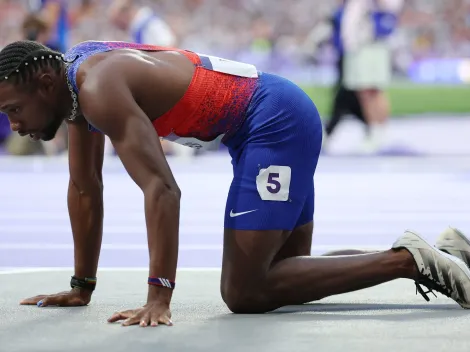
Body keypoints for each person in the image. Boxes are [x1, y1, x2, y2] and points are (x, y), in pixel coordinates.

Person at [1, 40, 470, 328]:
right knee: (287, 276)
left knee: (244, 293)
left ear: (45, 84)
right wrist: (82, 285)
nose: (14, 126)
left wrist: (158, 297)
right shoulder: (75, 86)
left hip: (274, 122)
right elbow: (85, 189)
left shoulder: (98, 87)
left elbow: (162, 190)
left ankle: (409, 261)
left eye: (13, 110)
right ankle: (441, 253)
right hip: (267, 119)